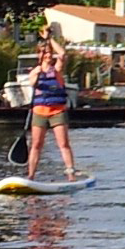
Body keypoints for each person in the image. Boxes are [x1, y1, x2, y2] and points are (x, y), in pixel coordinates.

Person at [24, 26, 78, 181]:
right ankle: (31, 175)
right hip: (39, 112)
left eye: (50, 53)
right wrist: (37, 73)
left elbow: (62, 54)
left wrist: (49, 39)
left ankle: (70, 173)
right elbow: (33, 83)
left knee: (63, 143)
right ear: (40, 55)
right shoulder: (35, 71)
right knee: (36, 145)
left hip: (57, 111)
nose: (48, 55)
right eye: (45, 53)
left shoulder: (57, 70)